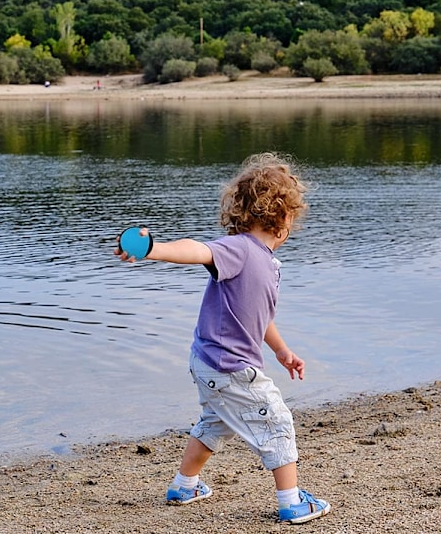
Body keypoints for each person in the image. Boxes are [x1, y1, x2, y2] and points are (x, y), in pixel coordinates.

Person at [114, 152, 330, 525]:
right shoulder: (242, 249)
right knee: (277, 421)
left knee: (218, 421)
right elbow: (200, 250)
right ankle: (291, 502)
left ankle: (185, 485)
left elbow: (259, 317)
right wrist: (155, 250)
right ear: (284, 216)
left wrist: (281, 350)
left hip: (209, 363)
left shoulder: (264, 261)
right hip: (229, 366)